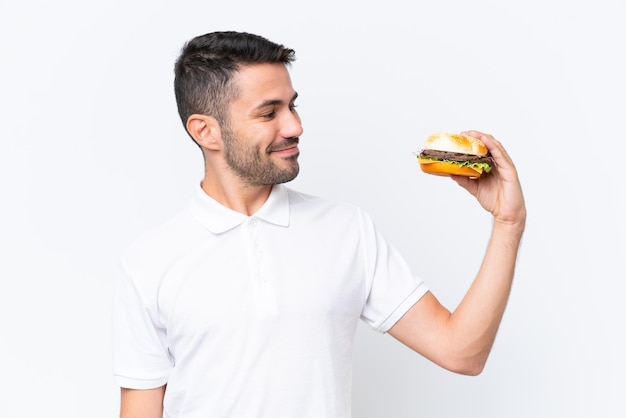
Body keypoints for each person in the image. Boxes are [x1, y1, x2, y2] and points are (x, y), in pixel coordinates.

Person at [111, 31, 526, 418]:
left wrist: (508, 222)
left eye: (292, 105)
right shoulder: (149, 261)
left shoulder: (348, 230)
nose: (294, 126)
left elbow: (462, 352)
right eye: (268, 112)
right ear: (206, 131)